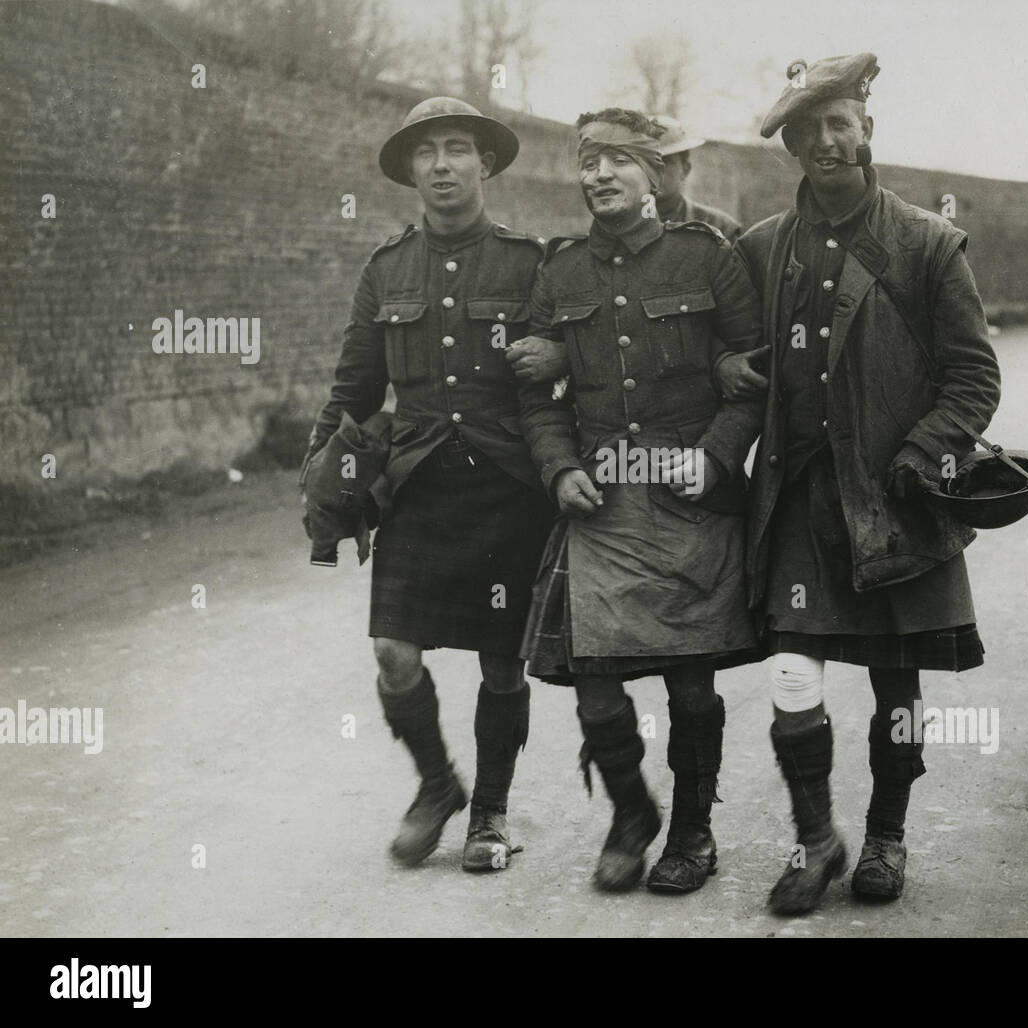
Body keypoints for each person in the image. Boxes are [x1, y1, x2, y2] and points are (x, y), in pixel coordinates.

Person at [720, 54, 1001, 915]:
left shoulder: (924, 243)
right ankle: (816, 843)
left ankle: (885, 836)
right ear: (793, 147)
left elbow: (974, 379)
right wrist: (732, 365)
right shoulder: (762, 248)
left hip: (892, 501)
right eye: (809, 131)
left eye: (841, 124)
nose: (826, 142)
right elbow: (729, 355)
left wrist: (922, 455)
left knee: (897, 684)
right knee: (793, 678)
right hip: (801, 499)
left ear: (868, 131)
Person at [515, 107, 764, 895]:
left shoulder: (709, 257)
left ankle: (693, 830)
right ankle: (631, 814)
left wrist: (719, 458)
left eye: (617, 160)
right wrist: (558, 468)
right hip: (602, 505)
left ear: (654, 173)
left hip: (691, 501)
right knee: (594, 684)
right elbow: (538, 393)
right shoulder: (560, 272)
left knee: (691, 684)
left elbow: (752, 376)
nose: (598, 176)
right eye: (588, 162)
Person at [302, 97, 553, 874]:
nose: (442, 164)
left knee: (503, 663)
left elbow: (558, 385)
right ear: (411, 170)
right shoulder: (385, 271)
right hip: (416, 488)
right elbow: (351, 395)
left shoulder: (530, 263)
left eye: (457, 149)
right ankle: (439, 785)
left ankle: (491, 815)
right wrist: (321, 478)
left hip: (509, 489)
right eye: (427, 153)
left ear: (485, 163)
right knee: (393, 653)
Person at [650, 114, 744, 241]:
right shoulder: (616, 225)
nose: (654, 170)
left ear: (685, 169)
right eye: (646, 161)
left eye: (665, 161)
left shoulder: (720, 228)